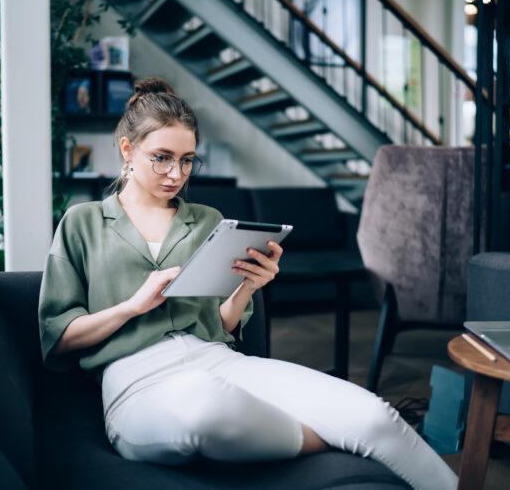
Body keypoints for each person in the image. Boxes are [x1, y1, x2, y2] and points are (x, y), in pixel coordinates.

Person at [38, 77, 458, 490]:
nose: (176, 174)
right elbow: (58, 338)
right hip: (135, 380)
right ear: (128, 150)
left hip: (218, 360)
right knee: (206, 408)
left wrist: (247, 288)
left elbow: (221, 325)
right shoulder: (84, 222)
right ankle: (328, 440)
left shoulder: (207, 221)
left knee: (376, 417)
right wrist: (133, 305)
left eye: (187, 160)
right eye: (162, 157)